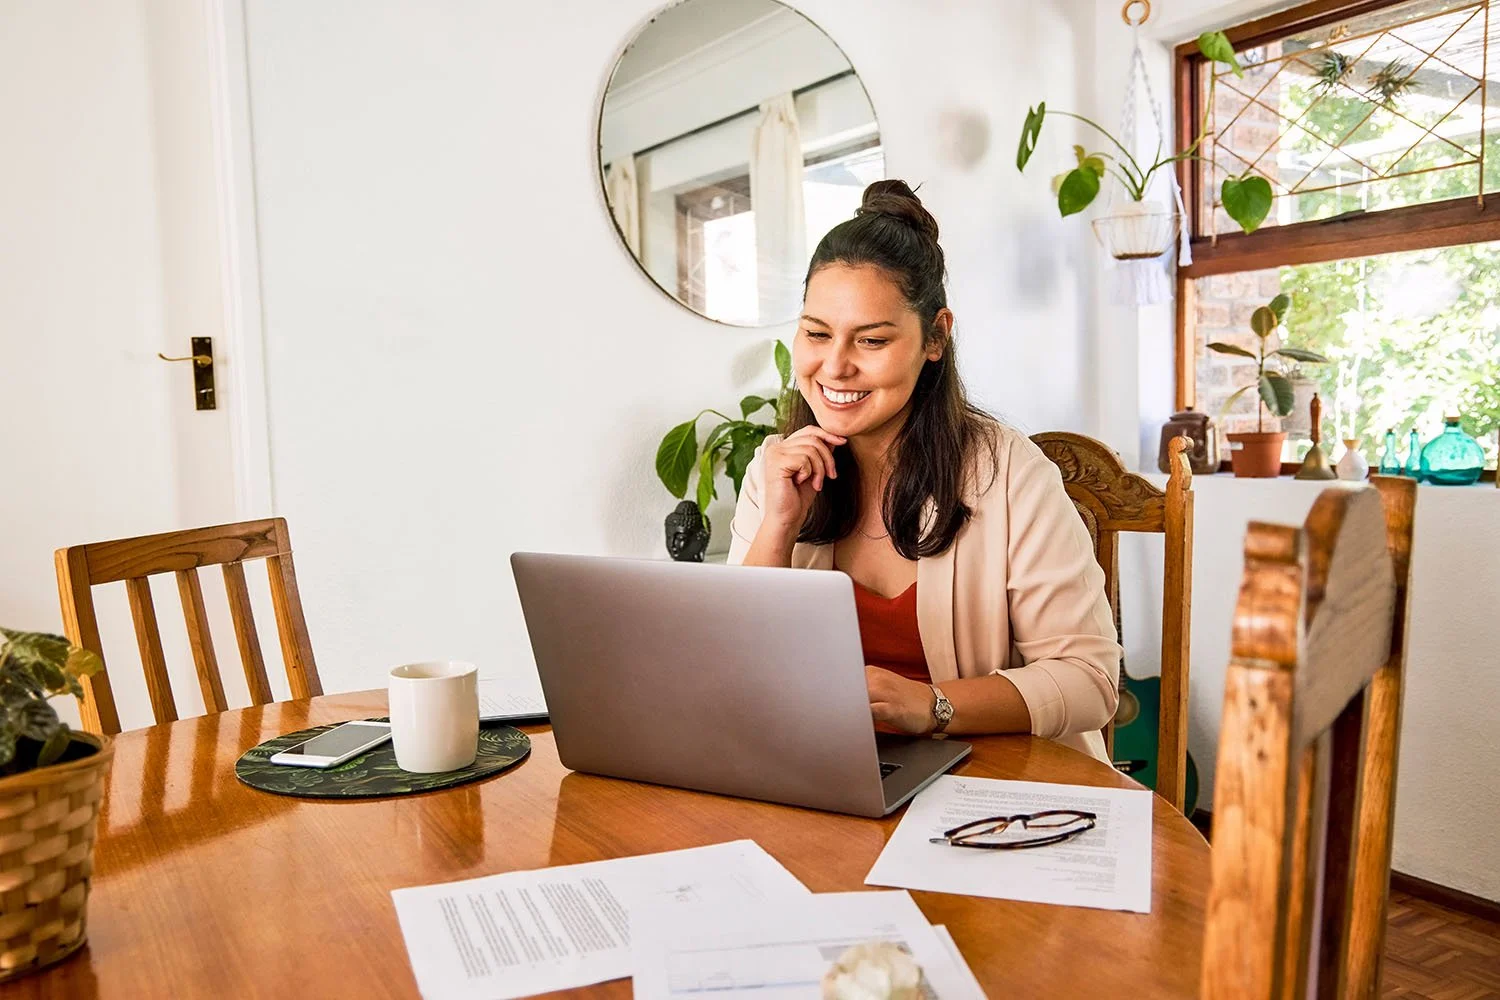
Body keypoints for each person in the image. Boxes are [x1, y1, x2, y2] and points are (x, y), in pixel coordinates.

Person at [728, 180, 1120, 762]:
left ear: (935, 338)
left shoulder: (1011, 473)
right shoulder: (776, 472)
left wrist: (933, 706)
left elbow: (1090, 680)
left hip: (999, 792)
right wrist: (779, 528)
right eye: (816, 333)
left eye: (872, 340)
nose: (835, 367)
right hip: (829, 778)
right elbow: (735, 674)